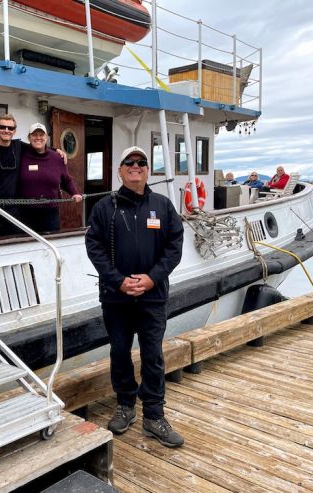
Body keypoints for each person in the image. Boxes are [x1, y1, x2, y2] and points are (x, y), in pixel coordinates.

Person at [85, 146, 185, 448]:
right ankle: (126, 405)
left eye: (141, 162)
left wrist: (152, 278)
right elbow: (95, 247)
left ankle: (154, 416)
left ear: (147, 171)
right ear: (120, 170)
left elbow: (174, 246)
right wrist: (119, 282)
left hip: (153, 297)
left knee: (153, 354)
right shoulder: (104, 208)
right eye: (129, 162)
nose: (136, 166)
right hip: (117, 298)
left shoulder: (163, 206)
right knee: (119, 352)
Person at [0, 115, 69, 238]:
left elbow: (39, 146)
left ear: (14, 131)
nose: (6, 130)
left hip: (14, 208)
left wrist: (57, 151)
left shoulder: (19, 146)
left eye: (10, 128)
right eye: (3, 127)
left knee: (16, 243)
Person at [18, 123, 82, 233]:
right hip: (26, 212)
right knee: (28, 247)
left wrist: (75, 193)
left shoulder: (57, 157)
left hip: (50, 213)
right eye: (34, 135)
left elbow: (66, 180)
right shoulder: (21, 153)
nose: (38, 138)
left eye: (41, 135)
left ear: (47, 137)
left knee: (51, 245)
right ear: (29, 137)